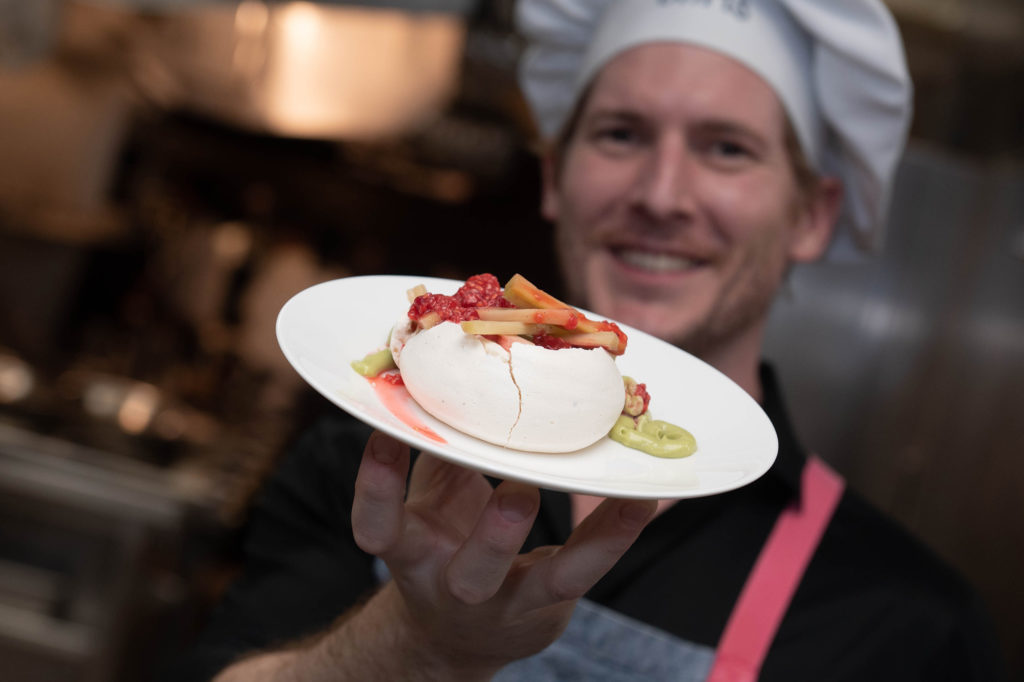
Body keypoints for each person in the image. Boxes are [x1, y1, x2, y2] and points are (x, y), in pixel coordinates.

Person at [172, 1, 1007, 680]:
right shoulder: (371, 459)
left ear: (811, 215)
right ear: (553, 178)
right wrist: (417, 646)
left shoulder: (906, 622)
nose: (661, 193)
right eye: (620, 134)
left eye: (726, 148)